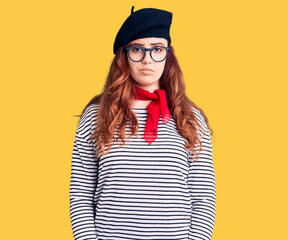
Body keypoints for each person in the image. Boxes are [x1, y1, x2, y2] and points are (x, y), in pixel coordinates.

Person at [69, 6, 216, 240]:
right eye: (137, 49)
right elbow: (80, 195)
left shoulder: (190, 119)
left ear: (168, 55)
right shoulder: (96, 116)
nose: (147, 59)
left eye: (157, 49)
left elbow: (203, 198)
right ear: (123, 56)